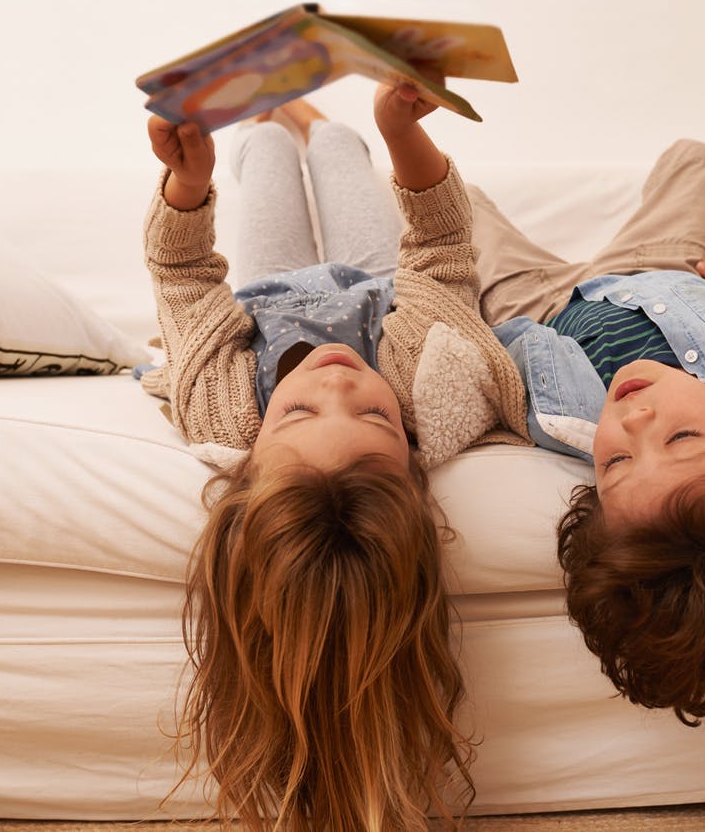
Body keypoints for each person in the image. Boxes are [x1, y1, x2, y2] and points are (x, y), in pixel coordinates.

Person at [142, 90, 530, 830]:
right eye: (375, 416)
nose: (337, 381)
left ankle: (268, 112)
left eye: (295, 412)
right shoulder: (432, 382)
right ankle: (314, 117)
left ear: (248, 454)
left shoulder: (221, 407)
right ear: (413, 459)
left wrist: (187, 184)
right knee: (342, 147)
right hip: (378, 281)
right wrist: (402, 133)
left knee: (260, 154)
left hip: (264, 289)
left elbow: (184, 283)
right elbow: (441, 255)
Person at [470, 139, 705, 731]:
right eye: (682, 439)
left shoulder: (557, 422)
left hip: (542, 300)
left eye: (617, 463)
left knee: (457, 197)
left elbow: (500, 352)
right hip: (662, 270)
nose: (634, 422)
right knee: (700, 158)